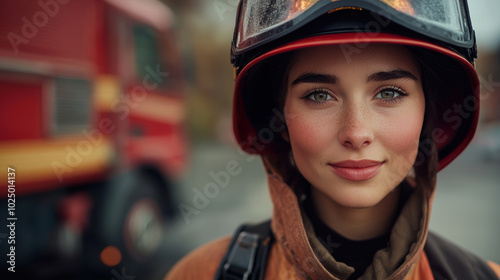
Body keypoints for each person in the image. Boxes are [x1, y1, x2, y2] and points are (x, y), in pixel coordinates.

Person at [166, 0, 500, 279]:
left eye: (389, 92)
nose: (356, 133)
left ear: (427, 112)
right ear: (280, 118)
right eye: (319, 96)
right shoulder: (200, 273)